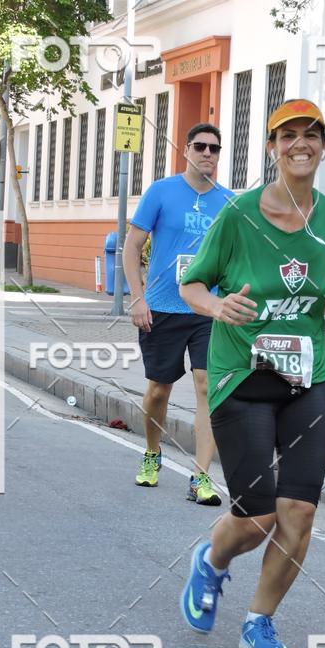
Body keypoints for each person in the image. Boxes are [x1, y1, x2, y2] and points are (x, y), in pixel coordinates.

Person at [178, 99, 325, 648]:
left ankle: (260, 621)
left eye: (311, 135)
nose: (300, 145)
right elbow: (192, 283)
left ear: (324, 147)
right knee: (257, 515)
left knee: (300, 511)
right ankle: (211, 559)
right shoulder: (239, 216)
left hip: (306, 377)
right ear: (272, 148)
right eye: (288, 137)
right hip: (242, 376)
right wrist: (216, 307)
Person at [123, 123, 233, 505]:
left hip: (207, 309)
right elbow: (132, 246)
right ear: (186, 150)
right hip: (162, 308)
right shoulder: (161, 192)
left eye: (214, 149)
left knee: (208, 385)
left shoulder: (229, 201)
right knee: (159, 389)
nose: (207, 153)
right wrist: (138, 298)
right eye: (200, 146)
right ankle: (152, 453)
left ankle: (201, 477)